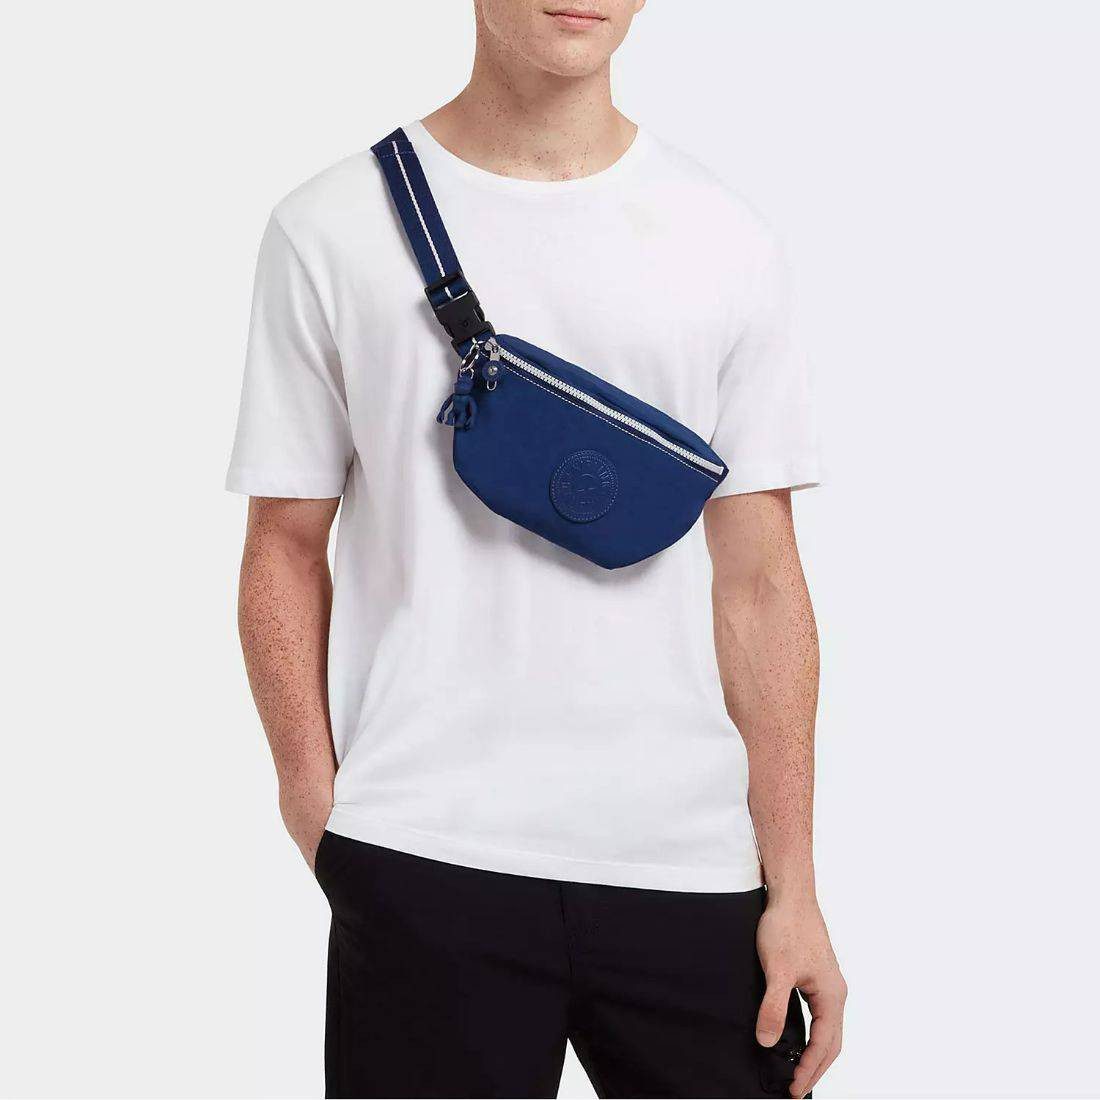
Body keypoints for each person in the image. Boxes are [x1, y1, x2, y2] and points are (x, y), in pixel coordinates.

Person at [227, 1, 846, 1096]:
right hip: (422, 852)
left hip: (689, 861)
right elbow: (283, 542)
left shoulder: (726, 238)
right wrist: (316, 810)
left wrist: (792, 885)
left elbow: (760, 581)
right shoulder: (329, 227)